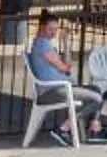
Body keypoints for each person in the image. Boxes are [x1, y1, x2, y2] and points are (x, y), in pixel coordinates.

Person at [25, 12, 83, 146]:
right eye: (50, 29)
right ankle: (63, 129)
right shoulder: (43, 45)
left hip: (62, 87)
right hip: (53, 91)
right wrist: (65, 64)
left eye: (55, 30)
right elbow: (66, 68)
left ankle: (91, 129)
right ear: (41, 28)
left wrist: (65, 43)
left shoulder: (45, 44)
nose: (53, 33)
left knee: (95, 94)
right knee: (95, 97)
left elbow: (67, 66)